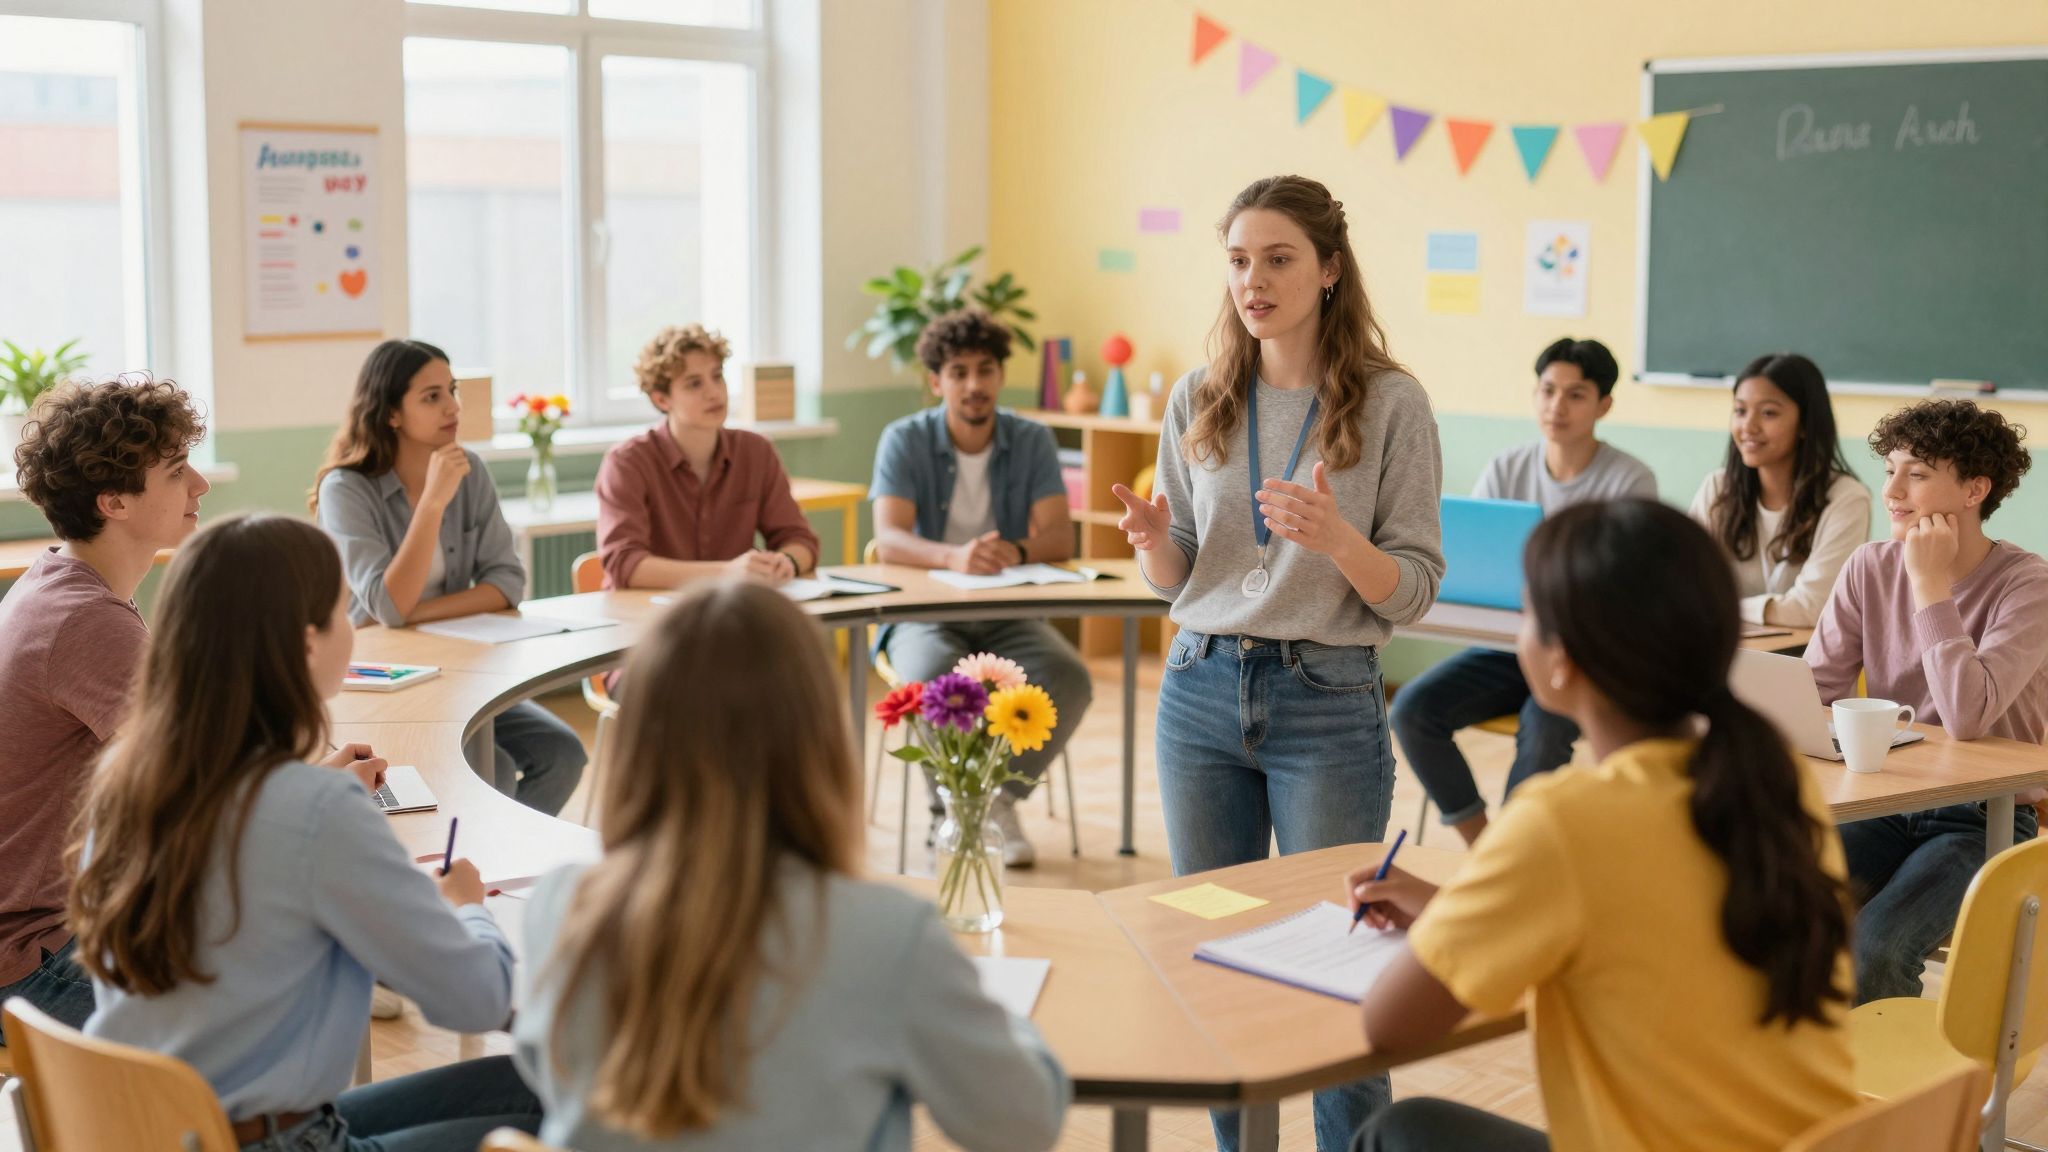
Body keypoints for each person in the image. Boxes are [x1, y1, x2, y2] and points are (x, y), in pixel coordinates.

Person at [1347, 500, 1858, 1152]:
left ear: (1562, 660)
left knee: (1398, 1131)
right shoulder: (1776, 778)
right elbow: (1645, 923)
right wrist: (1458, 908)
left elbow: (1387, 1025)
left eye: (1526, 613)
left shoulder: (1563, 821)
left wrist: (1469, 920)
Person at [1114, 173, 1444, 1150]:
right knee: (1209, 953)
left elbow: (1413, 589)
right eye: (1237, 261)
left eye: (1277, 259)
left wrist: (1339, 541)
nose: (1252, 281)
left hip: (1325, 701)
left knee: (1344, 963)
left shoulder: (1391, 403)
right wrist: (1153, 544)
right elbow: (1180, 579)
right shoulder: (1199, 395)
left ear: (1329, 269)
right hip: (1198, 688)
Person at [513, 581, 1068, 1151]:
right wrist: (994, 1014)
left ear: (638, 742)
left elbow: (544, 1073)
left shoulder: (560, 906)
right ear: (820, 739)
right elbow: (1023, 1125)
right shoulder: (889, 935)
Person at [69, 513, 542, 1150]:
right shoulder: (316, 810)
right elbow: (477, 1000)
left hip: (147, 1130)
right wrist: (466, 908)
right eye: (343, 611)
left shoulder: (125, 786)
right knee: (554, 1104)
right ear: (307, 644)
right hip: (271, 1141)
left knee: (530, 1084)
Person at [1806, 399, 2047, 1002]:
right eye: (1890, 470)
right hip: (1882, 801)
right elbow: (1814, 694)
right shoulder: (1868, 566)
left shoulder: (2029, 585)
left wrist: (1927, 582)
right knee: (1774, 914)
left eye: (1915, 474)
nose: (1892, 491)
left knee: (1876, 948)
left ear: (1974, 490)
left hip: (1985, 820)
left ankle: (1889, 1068)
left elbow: (1968, 715)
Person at [0, 376, 208, 1042]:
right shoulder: (86, 620)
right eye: (176, 471)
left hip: (44, 932)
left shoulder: (58, 583)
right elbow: (195, 784)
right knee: (269, 984)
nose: (200, 485)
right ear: (113, 501)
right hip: (36, 961)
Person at [1388, 337, 1653, 845]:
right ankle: (1486, 845)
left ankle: (1516, 852)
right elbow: (1475, 559)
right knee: (1412, 711)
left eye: (1576, 395)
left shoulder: (1630, 481)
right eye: (1548, 390)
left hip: (1582, 659)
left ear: (1604, 405)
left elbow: (1626, 588)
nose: (1557, 406)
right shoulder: (1506, 467)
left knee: (1544, 728)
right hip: (1508, 648)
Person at [313, 339, 585, 816]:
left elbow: (507, 583)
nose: (453, 407)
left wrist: (414, 613)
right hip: (386, 678)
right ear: (391, 413)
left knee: (562, 754)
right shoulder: (346, 488)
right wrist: (433, 502)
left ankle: (500, 853)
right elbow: (388, 605)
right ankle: (472, 857)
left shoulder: (470, 469)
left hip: (457, 669)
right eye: (432, 396)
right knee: (496, 768)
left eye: (452, 390)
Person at [869, 308, 1093, 867]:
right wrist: (953, 556)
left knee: (1068, 676)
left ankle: (996, 800)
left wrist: (1014, 550)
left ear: (1000, 374)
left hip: (1008, 614)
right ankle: (947, 810)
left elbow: (1060, 536)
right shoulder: (904, 439)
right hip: (925, 614)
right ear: (936, 381)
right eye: (959, 372)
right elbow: (889, 539)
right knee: (929, 682)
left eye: (986, 369)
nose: (974, 384)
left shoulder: (1032, 438)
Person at [595, 322, 819, 590]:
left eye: (717, 376)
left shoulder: (756, 451)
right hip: (646, 614)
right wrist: (726, 573)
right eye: (694, 384)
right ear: (662, 400)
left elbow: (800, 540)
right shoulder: (627, 462)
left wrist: (786, 562)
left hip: (731, 610)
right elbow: (624, 563)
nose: (714, 392)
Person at [1688, 353, 1869, 628]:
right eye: (1740, 411)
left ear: (1805, 424)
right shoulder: (1717, 488)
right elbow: (1685, 586)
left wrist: (1722, 607)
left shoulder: (1846, 498)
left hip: (1802, 652)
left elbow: (1814, 607)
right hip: (1721, 645)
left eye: (1768, 413)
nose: (1748, 426)